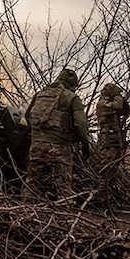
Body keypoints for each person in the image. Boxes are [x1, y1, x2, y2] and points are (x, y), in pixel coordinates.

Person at [23, 68, 90, 202]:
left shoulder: (40, 94)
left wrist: (38, 134)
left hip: (36, 146)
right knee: (63, 188)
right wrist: (85, 144)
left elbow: (27, 116)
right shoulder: (71, 97)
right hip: (60, 147)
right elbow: (80, 124)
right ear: (72, 83)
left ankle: (22, 215)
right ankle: (66, 219)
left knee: (32, 184)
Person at [96, 82, 130, 185]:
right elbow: (117, 107)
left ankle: (110, 187)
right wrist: (118, 97)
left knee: (114, 165)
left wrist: (124, 101)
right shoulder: (102, 103)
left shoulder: (110, 102)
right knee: (107, 165)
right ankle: (103, 188)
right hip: (107, 139)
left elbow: (125, 111)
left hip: (114, 138)